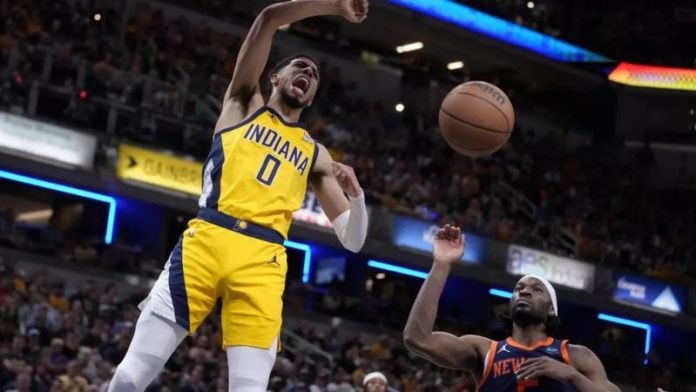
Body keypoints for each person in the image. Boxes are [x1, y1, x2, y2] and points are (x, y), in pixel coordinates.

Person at [108, 1, 370, 391]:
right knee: (131, 377)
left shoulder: (316, 153)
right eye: (299, 66)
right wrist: (333, 5)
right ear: (275, 77)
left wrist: (358, 196)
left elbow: (352, 241)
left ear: (312, 97)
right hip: (207, 240)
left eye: (314, 75)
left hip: (264, 261)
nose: (308, 73)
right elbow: (268, 18)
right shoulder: (243, 103)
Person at [403, 224, 620, 391]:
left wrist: (572, 376)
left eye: (537, 290)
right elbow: (417, 339)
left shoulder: (577, 356)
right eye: (518, 288)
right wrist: (441, 265)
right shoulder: (485, 351)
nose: (524, 292)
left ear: (551, 309)